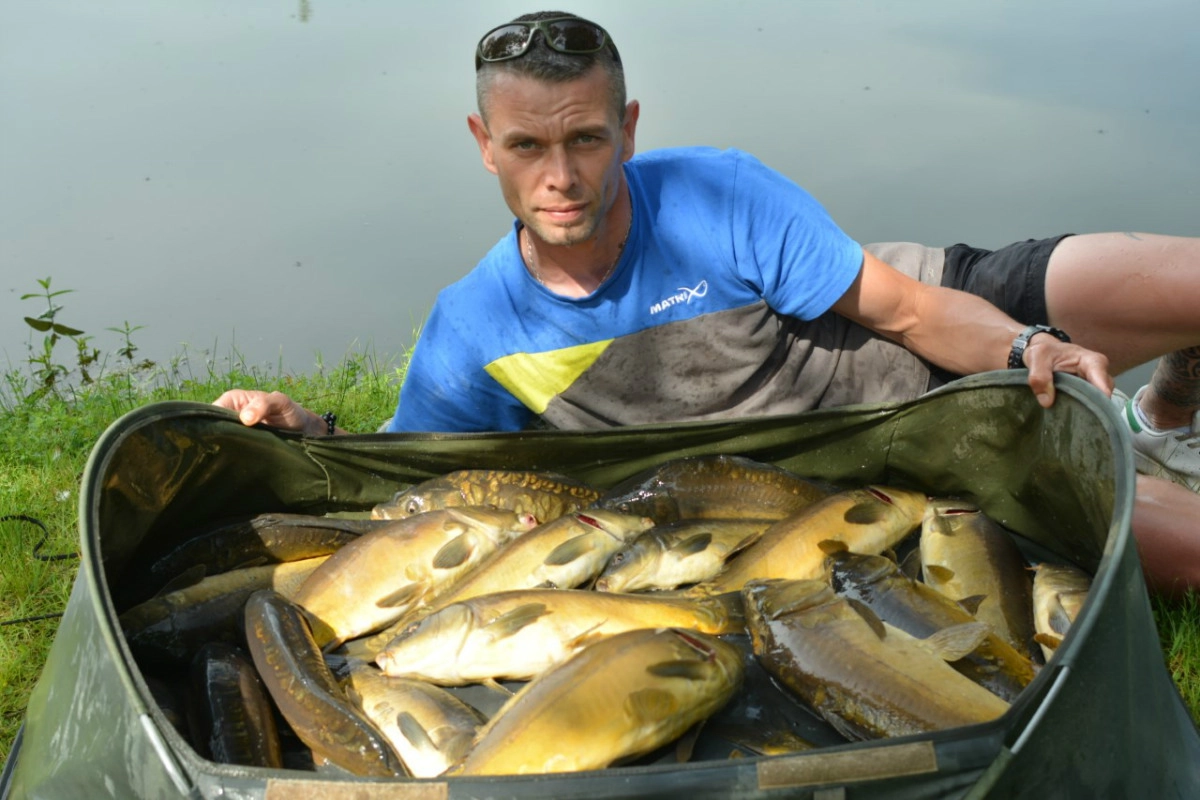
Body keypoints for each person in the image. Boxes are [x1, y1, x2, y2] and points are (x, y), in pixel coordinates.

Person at [215, 11, 1200, 595]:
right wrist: (311, 429)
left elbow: (907, 309)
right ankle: (1152, 438)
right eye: (527, 147)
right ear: (484, 142)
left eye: (587, 139)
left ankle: (1169, 411)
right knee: (1184, 554)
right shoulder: (475, 328)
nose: (561, 177)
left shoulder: (716, 191)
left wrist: (1027, 339)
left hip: (938, 311)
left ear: (629, 125)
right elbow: (413, 474)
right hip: (914, 447)